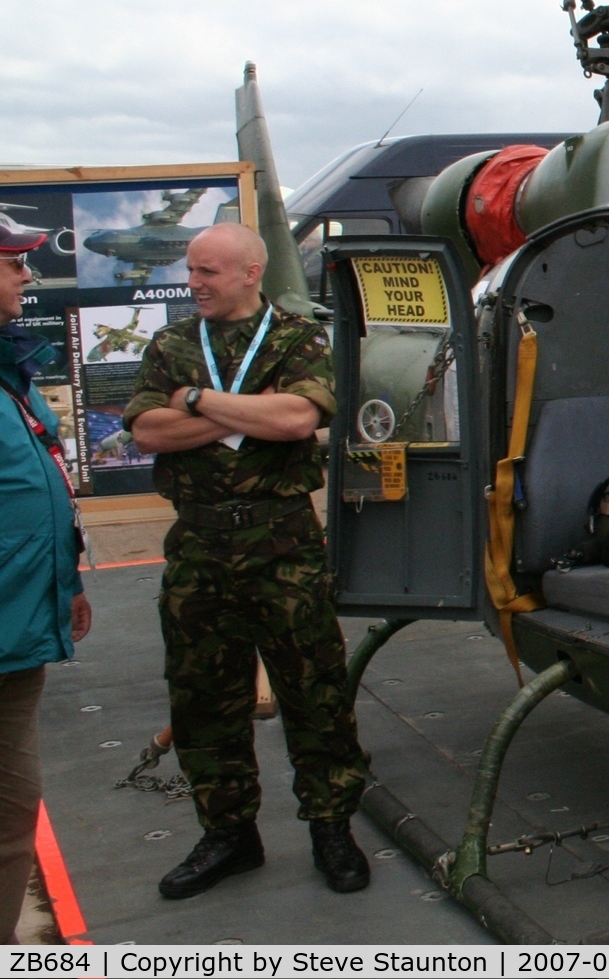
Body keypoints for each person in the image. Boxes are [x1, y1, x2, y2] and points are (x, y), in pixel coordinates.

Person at [125, 222, 370, 900]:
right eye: (192, 270)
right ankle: (228, 834)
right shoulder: (172, 343)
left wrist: (200, 401)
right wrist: (249, 414)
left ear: (250, 272)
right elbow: (147, 428)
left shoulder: (296, 337)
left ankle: (331, 826)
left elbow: (298, 420)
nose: (194, 282)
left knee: (313, 692)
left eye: (208, 272)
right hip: (199, 546)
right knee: (204, 696)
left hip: (283, 544)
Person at [0, 213, 90, 943]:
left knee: (10, 817)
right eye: (13, 263)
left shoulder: (10, 371)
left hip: (20, 636)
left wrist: (70, 585)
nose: (27, 275)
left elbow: (40, 480)